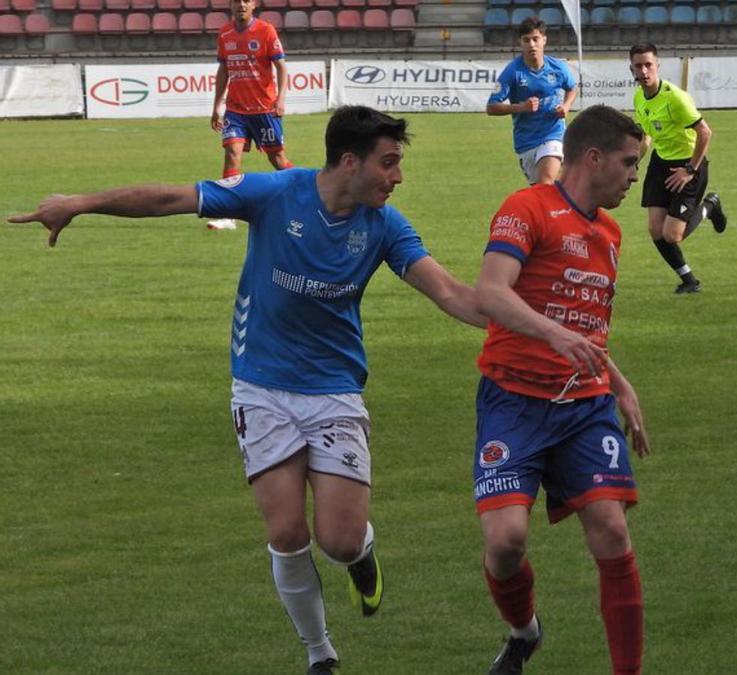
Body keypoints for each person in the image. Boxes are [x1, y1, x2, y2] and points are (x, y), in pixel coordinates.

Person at [10, 106, 488, 675]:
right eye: (389, 164)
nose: (397, 177)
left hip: (334, 390)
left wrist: (532, 325)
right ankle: (321, 655)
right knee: (286, 531)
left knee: (337, 539)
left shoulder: (385, 227)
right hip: (260, 385)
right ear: (350, 161)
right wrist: (80, 203)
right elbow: (170, 198)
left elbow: (452, 294)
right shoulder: (274, 193)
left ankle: (360, 556)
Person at [473, 105, 651, 675]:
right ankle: (524, 631)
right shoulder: (527, 207)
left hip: (584, 406)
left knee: (611, 529)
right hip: (513, 400)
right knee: (505, 543)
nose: (633, 176)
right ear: (592, 157)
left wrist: (620, 383)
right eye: (628, 163)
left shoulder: (612, 231)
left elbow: (588, 325)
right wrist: (556, 335)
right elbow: (491, 292)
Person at [629, 42, 727, 294]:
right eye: (638, 65)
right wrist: (633, 164)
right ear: (632, 69)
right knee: (655, 229)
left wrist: (690, 170)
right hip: (661, 163)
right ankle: (689, 280)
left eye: (648, 64)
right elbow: (647, 137)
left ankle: (710, 205)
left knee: (672, 235)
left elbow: (705, 132)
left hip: (688, 162)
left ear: (657, 66)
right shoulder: (639, 96)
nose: (644, 70)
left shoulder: (676, 98)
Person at [486, 16, 579, 186]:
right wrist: (521, 107)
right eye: (526, 40)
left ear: (544, 40)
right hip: (526, 142)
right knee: (543, 192)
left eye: (535, 39)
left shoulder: (558, 67)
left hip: (553, 134)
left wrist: (566, 106)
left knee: (546, 183)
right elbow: (491, 107)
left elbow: (572, 88)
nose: (531, 44)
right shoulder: (512, 72)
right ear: (520, 43)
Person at [211, 0, 292, 179]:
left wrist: (281, 99)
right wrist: (217, 106)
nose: (241, 5)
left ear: (253, 4)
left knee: (277, 159)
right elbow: (223, 70)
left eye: (246, 1)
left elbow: (281, 67)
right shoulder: (224, 33)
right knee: (232, 154)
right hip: (235, 110)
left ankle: (302, 188)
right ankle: (228, 204)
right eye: (236, 1)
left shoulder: (266, 30)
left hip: (264, 108)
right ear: (230, 5)